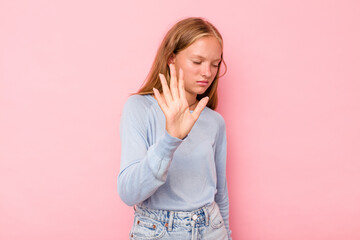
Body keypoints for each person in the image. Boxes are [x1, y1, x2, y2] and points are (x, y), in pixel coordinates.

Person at [117, 17, 232, 240]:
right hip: (158, 231)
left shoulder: (214, 121)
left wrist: (227, 233)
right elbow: (128, 193)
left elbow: (221, 193)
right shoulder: (140, 108)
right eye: (197, 62)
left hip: (212, 229)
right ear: (172, 58)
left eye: (215, 64)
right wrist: (171, 139)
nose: (207, 73)